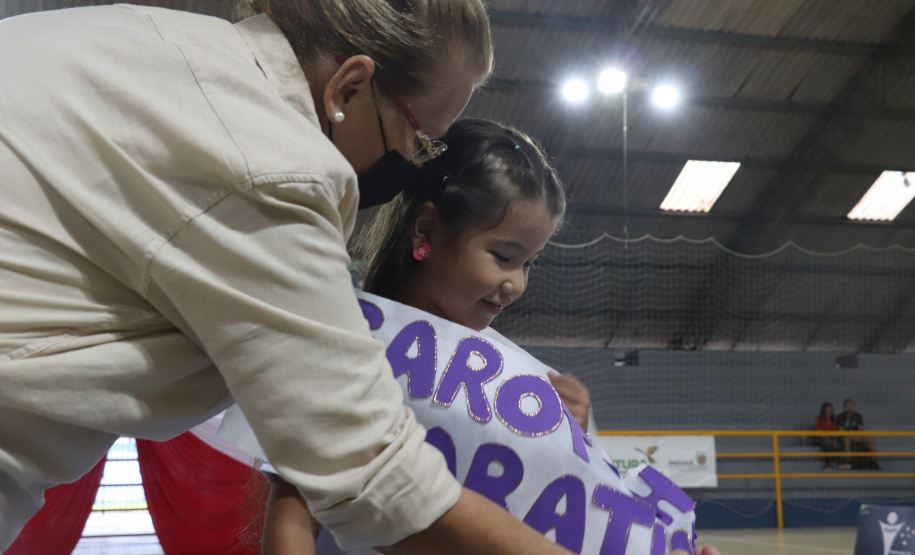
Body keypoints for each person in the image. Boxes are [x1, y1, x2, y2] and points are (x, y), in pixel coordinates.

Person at [0, 2, 590, 553]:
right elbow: (374, 477)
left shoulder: (145, 37)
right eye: (422, 139)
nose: (415, 164)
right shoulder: (274, 167)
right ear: (349, 87)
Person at [252, 118, 718, 555]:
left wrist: (566, 448)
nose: (517, 284)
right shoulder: (353, 346)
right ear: (427, 229)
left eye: (529, 263)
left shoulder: (519, 382)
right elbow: (293, 510)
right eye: (503, 255)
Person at [836, 399, 880, 470]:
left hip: (856, 436)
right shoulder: (840, 416)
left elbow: (861, 429)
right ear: (845, 407)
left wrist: (856, 436)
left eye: (852, 406)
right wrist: (850, 435)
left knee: (870, 438)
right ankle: (849, 461)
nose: (850, 408)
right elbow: (841, 431)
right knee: (847, 440)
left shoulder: (858, 416)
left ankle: (873, 460)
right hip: (846, 437)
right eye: (848, 406)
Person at [813, 402, 841, 470]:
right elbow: (821, 432)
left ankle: (841, 464)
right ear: (824, 411)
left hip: (831, 438)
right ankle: (827, 465)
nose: (829, 411)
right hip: (820, 438)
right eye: (827, 409)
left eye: (830, 409)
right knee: (827, 444)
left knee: (840, 445)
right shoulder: (819, 419)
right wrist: (831, 441)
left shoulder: (834, 420)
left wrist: (834, 441)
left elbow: (835, 432)